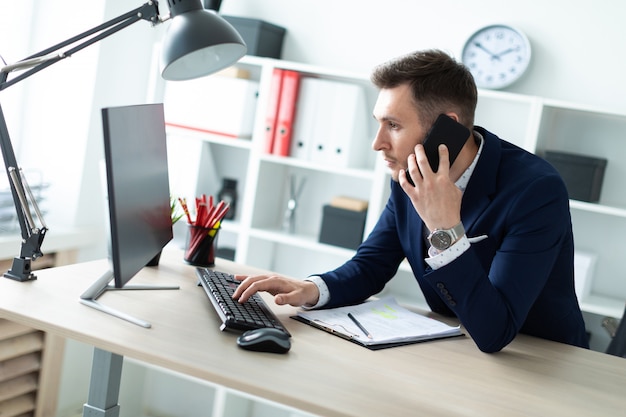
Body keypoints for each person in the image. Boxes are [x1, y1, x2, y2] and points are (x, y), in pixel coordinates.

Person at [232, 49, 589, 353]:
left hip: (541, 360)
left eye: (394, 125)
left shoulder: (535, 190)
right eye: (379, 123)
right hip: (457, 347)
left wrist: (445, 228)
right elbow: (373, 264)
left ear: (445, 128)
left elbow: (496, 330)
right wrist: (311, 289)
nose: (377, 143)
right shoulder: (408, 174)